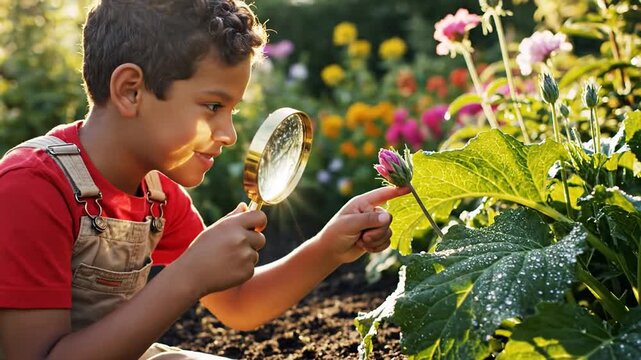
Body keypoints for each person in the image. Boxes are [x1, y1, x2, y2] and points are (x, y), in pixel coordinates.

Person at [0, 1, 409, 359]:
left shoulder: (160, 195)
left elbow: (238, 304)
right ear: (130, 91)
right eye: (213, 105)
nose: (229, 133)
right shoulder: (33, 187)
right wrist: (188, 275)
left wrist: (327, 248)